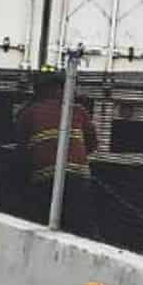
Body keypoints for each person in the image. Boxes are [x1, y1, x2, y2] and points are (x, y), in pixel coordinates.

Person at [14, 71, 99, 236]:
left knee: (42, 224)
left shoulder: (29, 113)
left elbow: (21, 151)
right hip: (79, 178)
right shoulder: (79, 111)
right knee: (82, 225)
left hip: (45, 180)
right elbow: (93, 144)